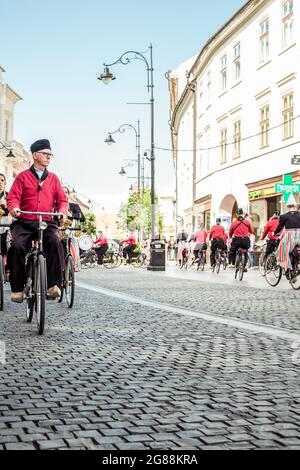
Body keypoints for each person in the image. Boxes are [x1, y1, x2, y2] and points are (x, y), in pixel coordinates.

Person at [7, 139, 68, 303]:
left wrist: (62, 212)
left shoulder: (54, 179)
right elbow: (12, 198)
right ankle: (17, 289)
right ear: (34, 155)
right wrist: (14, 208)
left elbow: (62, 201)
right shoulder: (22, 177)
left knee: (55, 242)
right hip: (24, 221)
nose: (48, 157)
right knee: (17, 246)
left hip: (46, 221)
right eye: (45, 154)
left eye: (50, 154)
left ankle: (53, 285)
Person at [274, 194, 300, 273]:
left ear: (287, 206)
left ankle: (287, 268)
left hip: (289, 236)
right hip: (299, 235)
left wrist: (274, 232)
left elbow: (280, 227)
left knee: (282, 250)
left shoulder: (283, 216)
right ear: (295, 206)